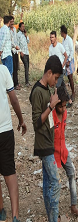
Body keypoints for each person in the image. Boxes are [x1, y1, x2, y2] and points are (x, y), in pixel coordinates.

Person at [30, 56, 62, 222]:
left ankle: (51, 218)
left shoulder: (47, 90)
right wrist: (50, 106)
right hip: (43, 143)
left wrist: (55, 104)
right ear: (49, 73)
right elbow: (36, 123)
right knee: (55, 183)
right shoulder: (37, 92)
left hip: (49, 140)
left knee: (48, 182)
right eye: (55, 78)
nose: (55, 82)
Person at [0, 60, 27, 222]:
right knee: (10, 172)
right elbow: (14, 100)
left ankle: (1, 211)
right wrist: (21, 120)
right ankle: (15, 216)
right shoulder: (3, 70)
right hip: (5, 130)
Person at [52, 87, 78, 217]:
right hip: (52, 153)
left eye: (65, 106)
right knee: (54, 183)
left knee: (72, 174)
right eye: (61, 107)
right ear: (55, 105)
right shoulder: (50, 116)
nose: (63, 109)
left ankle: (73, 205)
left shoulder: (65, 113)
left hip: (63, 150)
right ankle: (53, 212)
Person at [47, 31, 69, 108]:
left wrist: (63, 65)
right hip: (55, 70)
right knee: (62, 84)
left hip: (61, 69)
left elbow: (66, 56)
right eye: (50, 37)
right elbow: (50, 59)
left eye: (52, 37)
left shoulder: (60, 46)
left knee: (57, 85)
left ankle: (55, 102)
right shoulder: (50, 48)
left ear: (56, 38)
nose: (51, 39)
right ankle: (68, 100)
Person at [60, 26, 75, 103]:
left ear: (63, 32)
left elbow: (72, 51)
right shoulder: (64, 40)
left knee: (70, 77)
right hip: (66, 60)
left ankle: (73, 93)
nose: (60, 33)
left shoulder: (69, 40)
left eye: (60, 32)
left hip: (69, 60)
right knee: (68, 78)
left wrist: (69, 61)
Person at [0, 16, 15, 84]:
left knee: (4, 72)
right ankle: (9, 88)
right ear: (9, 22)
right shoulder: (6, 30)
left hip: (3, 54)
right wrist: (1, 50)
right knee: (9, 72)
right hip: (7, 53)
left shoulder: (1, 29)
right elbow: (3, 41)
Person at [10, 24, 19, 90]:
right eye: (11, 22)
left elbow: (16, 40)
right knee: (12, 68)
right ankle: (11, 84)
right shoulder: (7, 30)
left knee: (16, 68)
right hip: (11, 51)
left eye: (13, 22)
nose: (12, 23)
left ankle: (16, 83)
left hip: (15, 51)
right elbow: (10, 42)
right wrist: (14, 46)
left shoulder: (15, 29)